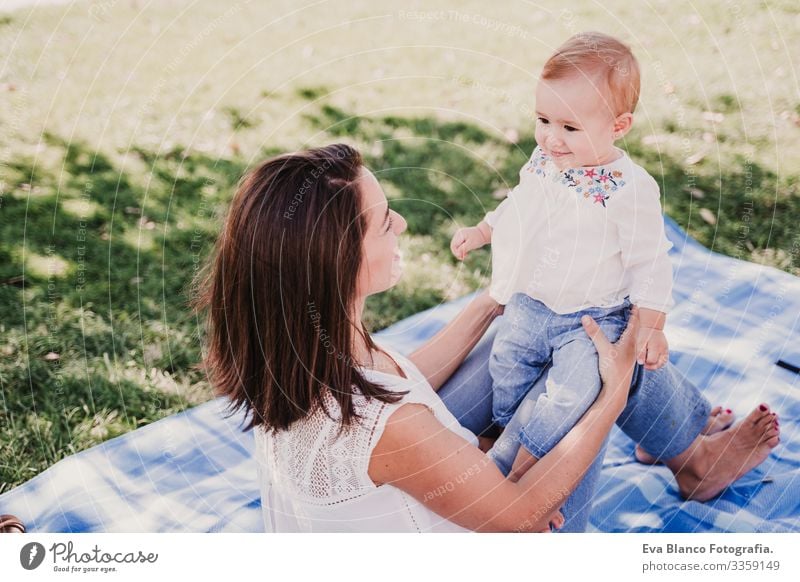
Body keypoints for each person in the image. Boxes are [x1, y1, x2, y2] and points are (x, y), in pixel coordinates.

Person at [191, 143, 780, 532]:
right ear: (335, 260)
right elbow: (522, 517)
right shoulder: (386, 428)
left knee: (554, 318)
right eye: (383, 219)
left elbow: (402, 377)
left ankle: (677, 439)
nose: (400, 224)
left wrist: (492, 300)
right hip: (509, 536)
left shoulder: (297, 351)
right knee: (599, 341)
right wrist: (612, 393)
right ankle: (686, 451)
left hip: (430, 480)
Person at [451, 32, 673, 478]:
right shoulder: (543, 161)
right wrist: (483, 230)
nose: (552, 138)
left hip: (592, 319)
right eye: (543, 120)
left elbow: (650, 260)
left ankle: (529, 459)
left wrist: (651, 326)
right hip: (531, 303)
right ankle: (504, 429)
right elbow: (520, 204)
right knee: (507, 367)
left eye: (570, 128)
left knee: (573, 391)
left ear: (618, 126)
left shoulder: (629, 189)